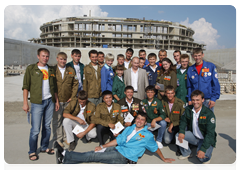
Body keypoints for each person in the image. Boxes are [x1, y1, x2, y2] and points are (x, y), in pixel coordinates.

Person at [55, 112, 175, 166]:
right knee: (95, 152)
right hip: (118, 149)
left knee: (94, 157)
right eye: (138, 118)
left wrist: (164, 158)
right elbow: (119, 140)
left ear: (145, 123)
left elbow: (155, 148)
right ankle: (65, 159)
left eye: (142, 120)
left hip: (123, 157)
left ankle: (65, 154)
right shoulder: (130, 127)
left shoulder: (147, 135)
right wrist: (102, 146)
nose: (139, 121)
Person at [22, 48, 59, 161]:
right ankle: (32, 151)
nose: (45, 58)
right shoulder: (31, 69)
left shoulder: (51, 69)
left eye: (47, 56)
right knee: (35, 129)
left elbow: (54, 87)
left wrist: (56, 101)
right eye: (43, 56)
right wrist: (25, 103)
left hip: (49, 101)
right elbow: (26, 87)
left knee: (47, 127)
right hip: (37, 102)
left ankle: (44, 147)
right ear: (38, 56)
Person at [176, 90, 217, 165]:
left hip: (205, 139)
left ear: (203, 100)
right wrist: (182, 131)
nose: (195, 102)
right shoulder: (188, 109)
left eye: (198, 100)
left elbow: (210, 134)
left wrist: (203, 149)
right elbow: (183, 120)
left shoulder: (209, 114)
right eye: (193, 100)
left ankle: (207, 150)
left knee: (203, 159)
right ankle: (187, 153)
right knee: (178, 135)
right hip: (194, 136)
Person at [52, 52, 79, 148]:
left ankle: (65, 137)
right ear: (57, 59)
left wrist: (73, 96)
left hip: (68, 100)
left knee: (66, 119)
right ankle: (58, 139)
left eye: (64, 59)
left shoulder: (71, 70)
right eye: (61, 59)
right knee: (57, 120)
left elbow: (75, 83)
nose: (63, 61)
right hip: (57, 100)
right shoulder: (53, 70)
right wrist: (55, 99)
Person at [187, 48, 220, 112]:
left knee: (207, 120)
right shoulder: (190, 69)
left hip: (208, 100)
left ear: (203, 55)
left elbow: (215, 84)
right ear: (192, 56)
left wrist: (213, 98)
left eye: (199, 55)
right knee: (196, 120)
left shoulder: (210, 66)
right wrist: (189, 99)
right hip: (195, 100)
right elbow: (189, 86)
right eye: (195, 55)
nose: (197, 57)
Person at [160, 85, 185, 155]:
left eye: (172, 93)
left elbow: (183, 119)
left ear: (174, 93)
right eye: (168, 93)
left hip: (179, 125)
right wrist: (164, 117)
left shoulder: (180, 103)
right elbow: (160, 112)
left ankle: (181, 148)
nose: (170, 95)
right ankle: (174, 138)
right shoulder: (163, 102)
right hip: (168, 125)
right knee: (167, 141)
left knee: (182, 132)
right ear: (165, 94)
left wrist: (173, 124)